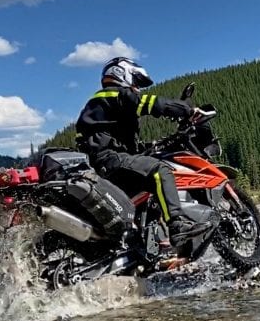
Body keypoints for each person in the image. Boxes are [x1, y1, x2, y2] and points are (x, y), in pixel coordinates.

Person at [75, 57, 212, 248]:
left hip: (105, 162)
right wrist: (187, 110)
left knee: (145, 183)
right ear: (121, 74)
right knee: (160, 171)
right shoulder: (113, 95)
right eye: (136, 82)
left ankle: (143, 240)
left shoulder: (104, 107)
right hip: (110, 160)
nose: (137, 88)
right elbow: (151, 103)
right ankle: (177, 226)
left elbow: (122, 143)